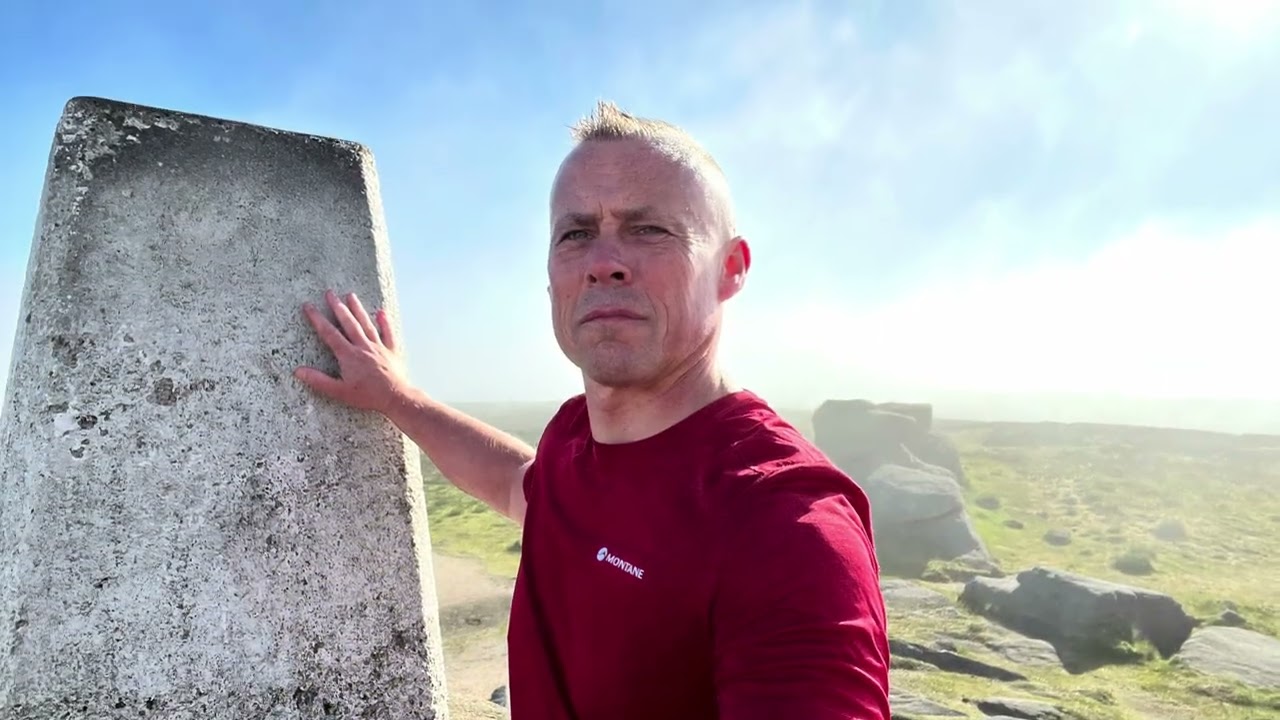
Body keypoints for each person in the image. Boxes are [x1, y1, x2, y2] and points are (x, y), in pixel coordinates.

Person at [294, 101, 891, 719]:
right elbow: (512, 483)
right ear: (551, 275)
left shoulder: (785, 525)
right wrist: (396, 396)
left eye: (649, 229)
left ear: (731, 268)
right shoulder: (574, 438)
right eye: (576, 233)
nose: (604, 263)